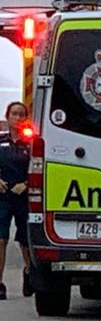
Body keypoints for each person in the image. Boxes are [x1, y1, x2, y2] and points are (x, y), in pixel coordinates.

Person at [0, 102, 32, 299]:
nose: (18, 118)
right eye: (14, 114)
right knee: (1, 239)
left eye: (21, 115)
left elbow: (41, 168)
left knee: (25, 240)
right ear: (7, 116)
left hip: (23, 195)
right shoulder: (0, 140)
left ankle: (30, 274)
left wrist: (27, 184)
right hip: (3, 195)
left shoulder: (31, 143)